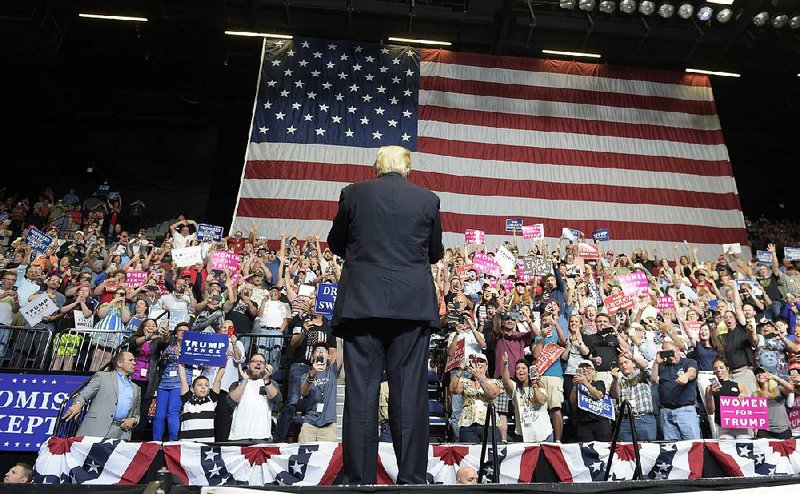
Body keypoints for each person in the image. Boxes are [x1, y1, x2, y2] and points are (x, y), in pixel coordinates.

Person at [327, 145, 443, 485]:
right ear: (407, 169)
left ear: (377, 167)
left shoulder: (353, 194)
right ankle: (411, 479)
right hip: (411, 307)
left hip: (363, 305)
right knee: (409, 396)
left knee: (362, 394)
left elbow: (336, 244)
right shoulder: (427, 199)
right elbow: (434, 253)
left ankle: (360, 479)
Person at [62, 352, 141, 440]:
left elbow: (137, 415)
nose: (134, 363)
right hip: (96, 430)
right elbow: (83, 396)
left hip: (121, 435)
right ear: (119, 363)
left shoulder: (136, 388)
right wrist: (77, 404)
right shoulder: (102, 377)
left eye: (134, 360)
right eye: (130, 360)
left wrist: (133, 420)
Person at [652, 341, 701, 440]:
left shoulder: (689, 362)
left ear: (678, 349)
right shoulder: (662, 365)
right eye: (667, 353)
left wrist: (686, 376)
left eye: (672, 352)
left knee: (692, 445)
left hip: (685, 410)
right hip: (666, 412)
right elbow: (653, 380)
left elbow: (692, 372)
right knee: (672, 448)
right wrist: (656, 362)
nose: (670, 356)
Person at [228, 353, 282, 441]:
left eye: (262, 362)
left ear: (265, 367)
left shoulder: (270, 384)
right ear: (248, 365)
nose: (258, 363)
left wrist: (266, 380)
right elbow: (232, 401)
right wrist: (244, 382)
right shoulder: (237, 384)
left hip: (262, 437)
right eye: (255, 361)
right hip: (239, 437)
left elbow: (277, 399)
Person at [449, 353, 502, 443]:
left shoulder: (493, 382)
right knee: (471, 455)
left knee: (490, 454)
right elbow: (453, 390)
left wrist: (479, 378)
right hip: (468, 425)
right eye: (476, 361)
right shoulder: (465, 381)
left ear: (487, 367)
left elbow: (492, 394)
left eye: (482, 361)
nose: (479, 364)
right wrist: (460, 369)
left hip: (489, 424)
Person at [500, 353, 551, 442]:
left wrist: (534, 384)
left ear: (529, 372)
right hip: (523, 435)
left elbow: (541, 401)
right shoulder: (515, 387)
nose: (520, 370)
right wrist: (505, 365)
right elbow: (506, 381)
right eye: (517, 369)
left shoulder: (539, 385)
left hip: (544, 435)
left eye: (523, 368)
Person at [298, 342, 343, 441]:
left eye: (324, 350)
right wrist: (312, 374)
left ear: (329, 356)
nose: (321, 352)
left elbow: (342, 353)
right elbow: (303, 392)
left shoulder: (332, 371)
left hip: (329, 424)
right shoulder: (306, 375)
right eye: (317, 350)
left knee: (327, 455)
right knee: (304, 455)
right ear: (313, 355)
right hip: (309, 423)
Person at [610, 352, 657, 441]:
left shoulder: (643, 375)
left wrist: (632, 356)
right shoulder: (618, 381)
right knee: (627, 452)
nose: (623, 365)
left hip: (644, 419)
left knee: (647, 451)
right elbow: (614, 395)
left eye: (626, 362)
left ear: (633, 363)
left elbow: (646, 366)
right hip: (625, 422)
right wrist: (615, 380)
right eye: (621, 364)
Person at [177, 362, 224, 443]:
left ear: (209, 389)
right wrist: (181, 360)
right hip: (187, 444)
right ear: (192, 388)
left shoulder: (211, 400)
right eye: (199, 385)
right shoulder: (187, 399)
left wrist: (223, 361)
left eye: (206, 385)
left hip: (206, 446)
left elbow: (218, 380)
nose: (203, 387)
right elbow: (183, 380)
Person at [704, 357, 749, 439]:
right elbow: (710, 411)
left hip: (740, 425)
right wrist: (710, 394)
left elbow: (747, 405)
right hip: (723, 426)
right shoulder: (709, 388)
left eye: (721, 367)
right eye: (715, 368)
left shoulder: (739, 385)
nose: (718, 370)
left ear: (727, 369)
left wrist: (744, 396)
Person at [569, 360, 613, 442]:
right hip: (583, 423)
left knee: (604, 450)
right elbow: (572, 402)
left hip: (600, 422)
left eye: (588, 368)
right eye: (582, 368)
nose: (585, 370)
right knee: (585, 451)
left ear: (593, 372)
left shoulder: (599, 383)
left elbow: (598, 395)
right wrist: (575, 387)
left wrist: (586, 383)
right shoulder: (577, 385)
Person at [753, 366, 794, 439]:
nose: (759, 375)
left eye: (762, 372)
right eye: (757, 374)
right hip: (764, 430)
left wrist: (774, 377)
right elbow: (755, 413)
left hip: (782, 428)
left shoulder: (778, 389)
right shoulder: (755, 394)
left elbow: (790, 388)